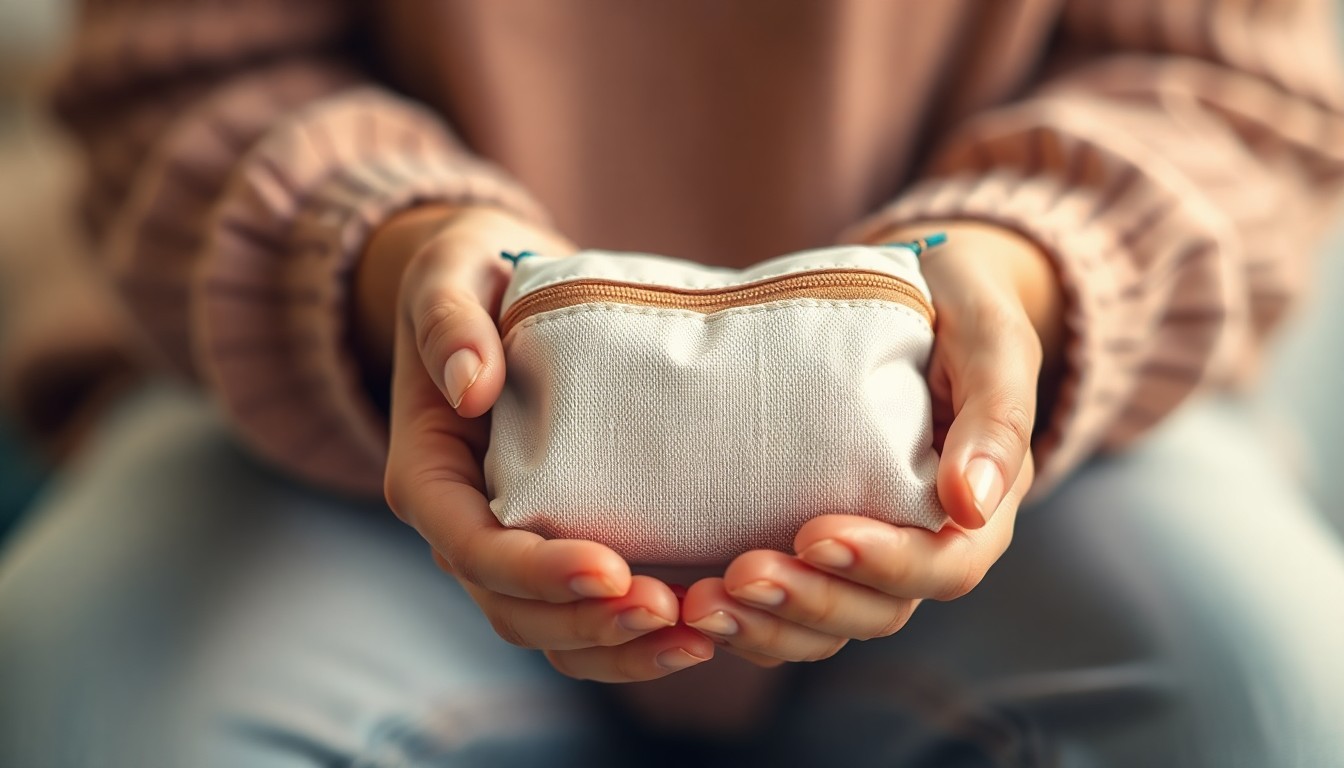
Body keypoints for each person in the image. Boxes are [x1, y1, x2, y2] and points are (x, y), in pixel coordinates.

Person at [2, 1, 1344, 765]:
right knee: (97, 699)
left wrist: (1021, 268)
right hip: (347, 399)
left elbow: (1234, 82)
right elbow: (175, 73)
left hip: (1043, 425)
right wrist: (393, 252)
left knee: (1281, 696)